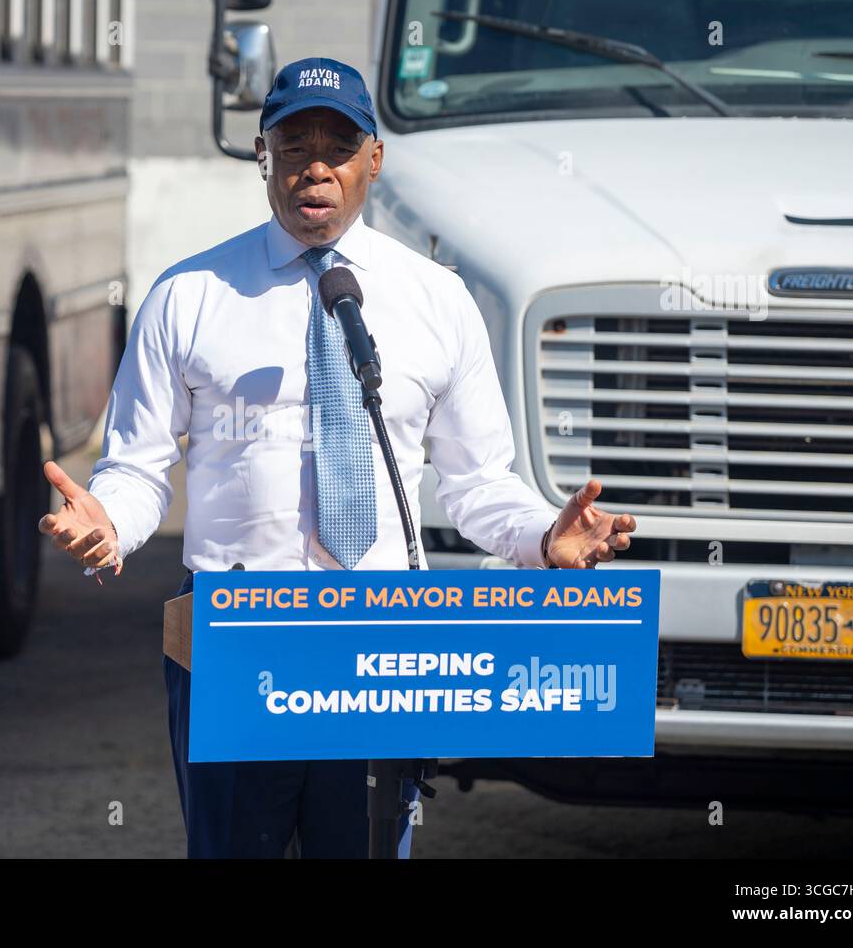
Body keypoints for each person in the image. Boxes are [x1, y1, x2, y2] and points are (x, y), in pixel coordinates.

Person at [38, 57, 637, 858]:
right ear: (264, 156)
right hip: (234, 635)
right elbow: (141, 467)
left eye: (338, 146)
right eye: (293, 146)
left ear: (374, 160)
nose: (314, 167)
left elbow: (477, 481)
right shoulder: (191, 295)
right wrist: (107, 521)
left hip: (376, 643)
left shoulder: (435, 300)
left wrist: (541, 538)